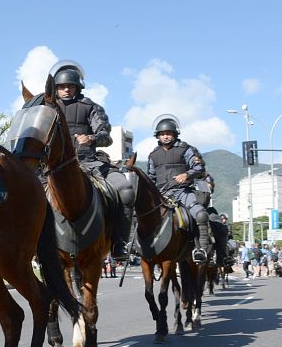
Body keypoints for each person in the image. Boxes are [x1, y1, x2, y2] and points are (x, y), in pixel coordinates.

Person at [23, 60, 135, 261]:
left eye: (70, 86)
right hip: (53, 167)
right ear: (55, 89)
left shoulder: (90, 107)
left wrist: (91, 138)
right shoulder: (44, 108)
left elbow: (105, 135)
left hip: (90, 162)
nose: (66, 90)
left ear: (77, 87)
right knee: (28, 196)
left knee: (126, 191)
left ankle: (119, 243)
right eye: (61, 87)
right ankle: (37, 245)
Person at [147, 114, 211, 264]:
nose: (166, 136)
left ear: (175, 134)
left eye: (168, 133)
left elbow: (199, 167)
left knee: (200, 214)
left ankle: (201, 249)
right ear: (158, 136)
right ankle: (140, 247)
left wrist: (187, 175)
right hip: (161, 194)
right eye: (162, 134)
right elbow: (150, 177)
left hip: (183, 192)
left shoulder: (186, 149)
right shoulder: (153, 155)